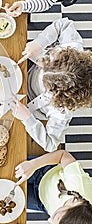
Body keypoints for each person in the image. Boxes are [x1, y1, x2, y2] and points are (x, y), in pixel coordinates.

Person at [10, 17, 92, 152]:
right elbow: (64, 24)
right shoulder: (74, 48)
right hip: (27, 63)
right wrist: (39, 43)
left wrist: (27, 118)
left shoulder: (62, 112)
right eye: (48, 66)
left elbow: (51, 144)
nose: (43, 74)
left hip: (26, 102)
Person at [12, 149, 92, 224]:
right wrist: (33, 164)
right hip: (42, 171)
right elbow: (63, 155)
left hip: (41, 202)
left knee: (9, 199)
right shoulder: (77, 183)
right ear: (75, 202)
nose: (49, 219)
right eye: (56, 217)